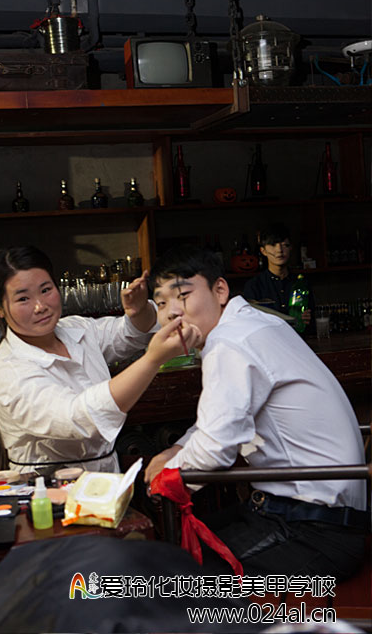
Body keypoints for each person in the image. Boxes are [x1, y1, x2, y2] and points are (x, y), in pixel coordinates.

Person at [144, 244, 366, 581]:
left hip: (314, 530)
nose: (172, 313)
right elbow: (218, 423)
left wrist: (164, 475)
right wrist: (175, 450)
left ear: (220, 290)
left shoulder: (229, 342)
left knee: (175, 577)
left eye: (183, 295)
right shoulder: (253, 323)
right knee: (167, 554)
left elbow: (214, 449)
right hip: (299, 512)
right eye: (161, 303)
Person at [0, 245, 201, 475]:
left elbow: (129, 333)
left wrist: (139, 310)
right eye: (23, 298)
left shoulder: (75, 328)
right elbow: (78, 418)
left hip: (106, 480)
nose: (40, 306)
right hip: (46, 487)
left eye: (46, 290)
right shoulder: (9, 370)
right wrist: (152, 360)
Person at [243, 223, 314, 329]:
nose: (279, 250)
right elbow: (250, 324)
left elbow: (313, 321)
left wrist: (308, 318)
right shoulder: (254, 286)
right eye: (273, 245)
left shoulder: (301, 283)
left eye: (285, 245)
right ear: (263, 251)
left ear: (291, 248)